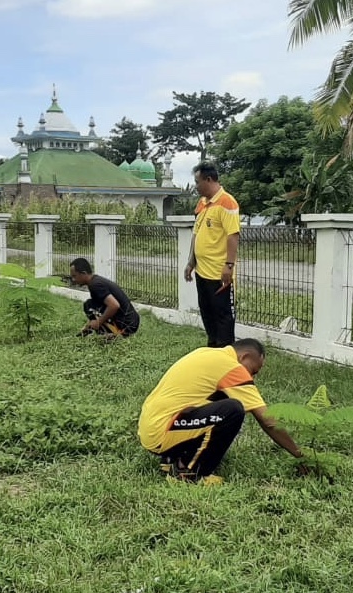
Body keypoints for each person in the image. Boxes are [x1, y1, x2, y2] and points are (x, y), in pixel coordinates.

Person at [138, 338, 303, 483]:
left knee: (223, 400)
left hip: (152, 428)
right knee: (233, 409)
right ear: (244, 357)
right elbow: (268, 420)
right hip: (162, 431)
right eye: (253, 371)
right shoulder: (231, 367)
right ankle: (189, 472)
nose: (252, 378)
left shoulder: (205, 353)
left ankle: (173, 458)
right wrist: (301, 456)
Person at [184, 161, 240, 348]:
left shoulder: (227, 202)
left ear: (209, 179)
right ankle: (213, 346)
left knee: (222, 314)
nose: (196, 186)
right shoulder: (202, 204)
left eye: (198, 181)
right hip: (202, 270)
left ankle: (225, 352)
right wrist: (191, 262)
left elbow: (233, 235)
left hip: (219, 273)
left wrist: (229, 265)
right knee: (207, 312)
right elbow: (196, 233)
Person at [69, 257, 140, 337]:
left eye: (74, 276)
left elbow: (114, 305)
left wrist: (98, 322)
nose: (73, 279)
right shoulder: (95, 281)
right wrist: (89, 326)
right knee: (90, 304)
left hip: (127, 324)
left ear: (84, 273)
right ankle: (103, 331)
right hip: (132, 321)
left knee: (89, 306)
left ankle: (116, 334)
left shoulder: (95, 285)